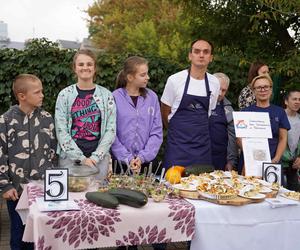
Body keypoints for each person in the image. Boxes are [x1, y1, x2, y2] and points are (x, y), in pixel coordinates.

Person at [0, 74, 57, 250]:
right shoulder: (6, 120)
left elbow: (52, 153)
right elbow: (0, 154)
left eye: (42, 91)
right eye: (37, 92)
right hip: (16, 191)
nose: (42, 95)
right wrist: (5, 185)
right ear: (22, 95)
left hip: (42, 190)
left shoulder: (47, 118)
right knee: (19, 235)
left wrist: (54, 183)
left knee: (40, 234)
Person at [55, 49, 116, 180]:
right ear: (74, 68)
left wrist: (95, 157)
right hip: (70, 160)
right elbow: (61, 130)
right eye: (81, 64)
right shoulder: (64, 95)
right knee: (71, 198)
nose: (85, 67)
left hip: (98, 160)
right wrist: (81, 158)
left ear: (95, 68)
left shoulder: (106, 95)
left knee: (97, 197)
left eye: (89, 64)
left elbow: (110, 130)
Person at [161, 38, 220, 169]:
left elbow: (209, 112)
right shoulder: (174, 80)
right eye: (197, 51)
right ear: (190, 55)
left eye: (206, 52)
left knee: (201, 186)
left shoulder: (214, 82)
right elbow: (165, 111)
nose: (201, 55)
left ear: (211, 57)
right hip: (177, 147)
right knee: (172, 186)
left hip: (202, 148)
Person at [111, 56, 163, 174]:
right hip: (119, 164)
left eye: (147, 74)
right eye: (143, 75)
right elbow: (111, 132)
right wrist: (127, 158)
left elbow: (157, 131)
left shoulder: (152, 98)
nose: (147, 77)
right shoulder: (114, 97)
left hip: (146, 164)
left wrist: (142, 157)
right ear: (130, 77)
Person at [238, 74, 290, 174]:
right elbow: (239, 138)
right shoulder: (245, 112)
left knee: (272, 189)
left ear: (271, 89)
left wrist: (276, 159)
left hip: (272, 162)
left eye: (266, 87)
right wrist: (250, 158)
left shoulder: (279, 112)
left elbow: (283, 138)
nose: (263, 90)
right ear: (253, 91)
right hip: (249, 163)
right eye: (259, 87)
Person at [210, 72, 239, 170]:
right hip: (198, 157)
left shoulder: (228, 110)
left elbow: (232, 138)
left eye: (224, 90)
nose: (220, 93)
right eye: (218, 89)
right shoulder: (198, 104)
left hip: (219, 160)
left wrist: (231, 161)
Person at [281, 90, 300, 191]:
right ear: (286, 101)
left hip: (294, 165)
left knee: (295, 196)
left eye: (299, 99)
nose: (297, 102)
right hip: (279, 163)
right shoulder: (278, 117)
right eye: (294, 99)